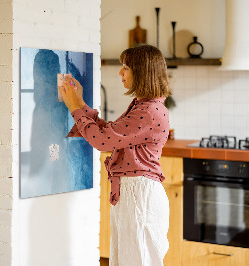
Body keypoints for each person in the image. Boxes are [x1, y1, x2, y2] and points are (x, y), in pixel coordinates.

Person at [59, 44, 171, 266]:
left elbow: (102, 141)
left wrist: (74, 108)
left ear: (142, 72)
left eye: (126, 67)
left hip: (139, 195)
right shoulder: (144, 106)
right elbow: (110, 133)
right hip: (134, 193)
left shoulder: (148, 111)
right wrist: (80, 104)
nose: (120, 72)